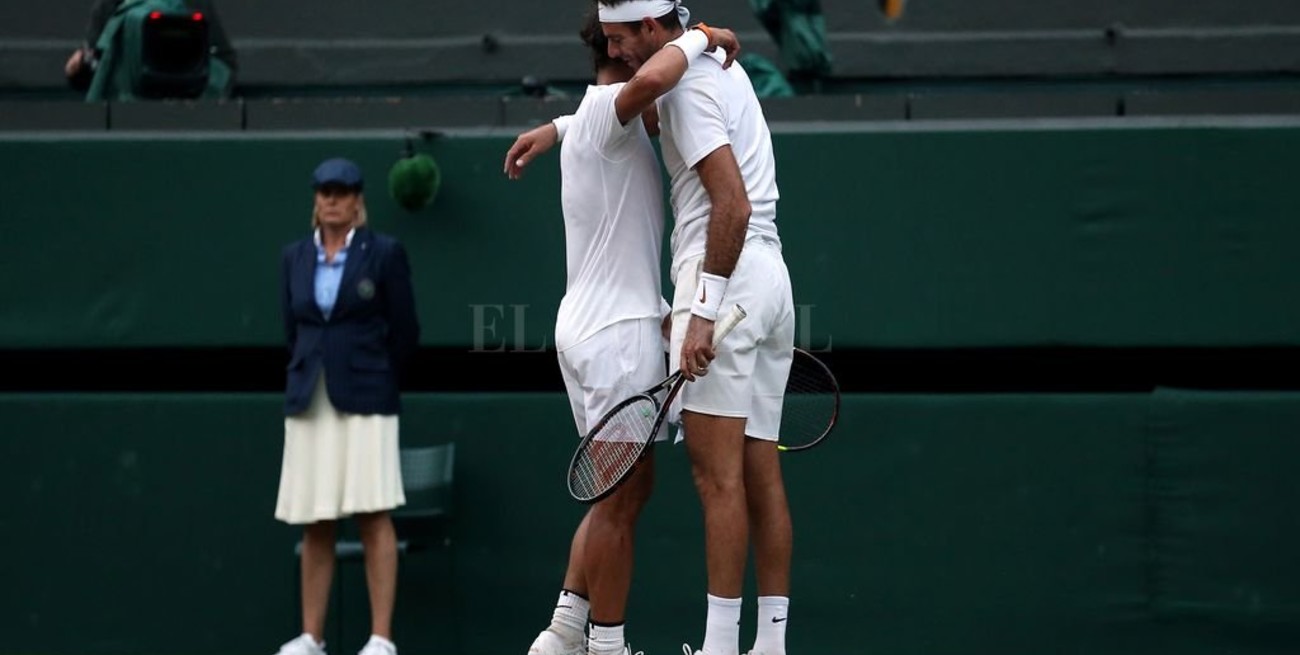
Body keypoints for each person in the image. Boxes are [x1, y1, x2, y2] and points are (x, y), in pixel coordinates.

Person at [503, 9, 740, 655]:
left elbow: (606, 112)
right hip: (614, 333)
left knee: (622, 492)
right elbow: (642, 89)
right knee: (616, 500)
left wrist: (552, 127)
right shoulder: (613, 110)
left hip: (596, 327)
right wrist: (702, 36)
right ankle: (606, 646)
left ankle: (564, 629)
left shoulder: (596, 121)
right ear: (629, 55)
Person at [597, 2, 796, 655]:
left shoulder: (684, 82)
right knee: (758, 469)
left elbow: (729, 203)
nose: (616, 51)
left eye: (621, 39)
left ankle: (717, 647)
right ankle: (769, 645)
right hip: (772, 285)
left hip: (725, 279)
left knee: (718, 480)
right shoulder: (720, 68)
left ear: (653, 29)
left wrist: (703, 312)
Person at [274, 157, 420, 655]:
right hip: (310, 398)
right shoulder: (294, 257)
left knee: (372, 511)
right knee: (316, 517)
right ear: (316, 199)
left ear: (358, 199)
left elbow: (405, 332)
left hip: (368, 396)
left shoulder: (383, 253)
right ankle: (311, 637)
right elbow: (293, 331)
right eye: (324, 191)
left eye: (342, 191)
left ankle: (381, 639)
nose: (332, 200)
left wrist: (374, 374)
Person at [64, 0, 238, 94]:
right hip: (124, 110)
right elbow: (93, 70)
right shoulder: (109, 6)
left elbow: (225, 65)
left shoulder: (194, 4)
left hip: (183, 110)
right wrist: (78, 69)